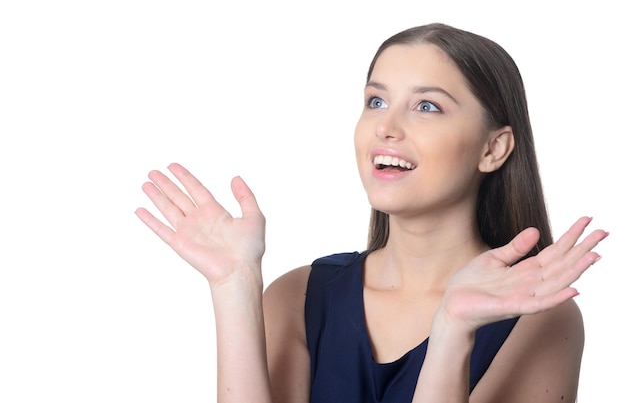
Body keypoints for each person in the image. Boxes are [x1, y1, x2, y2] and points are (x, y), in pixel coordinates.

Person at [135, 23, 609, 403]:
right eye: (375, 101)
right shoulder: (300, 296)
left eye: (426, 106)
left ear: (493, 148)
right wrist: (232, 287)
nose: (386, 126)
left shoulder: (541, 317)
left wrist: (451, 335)